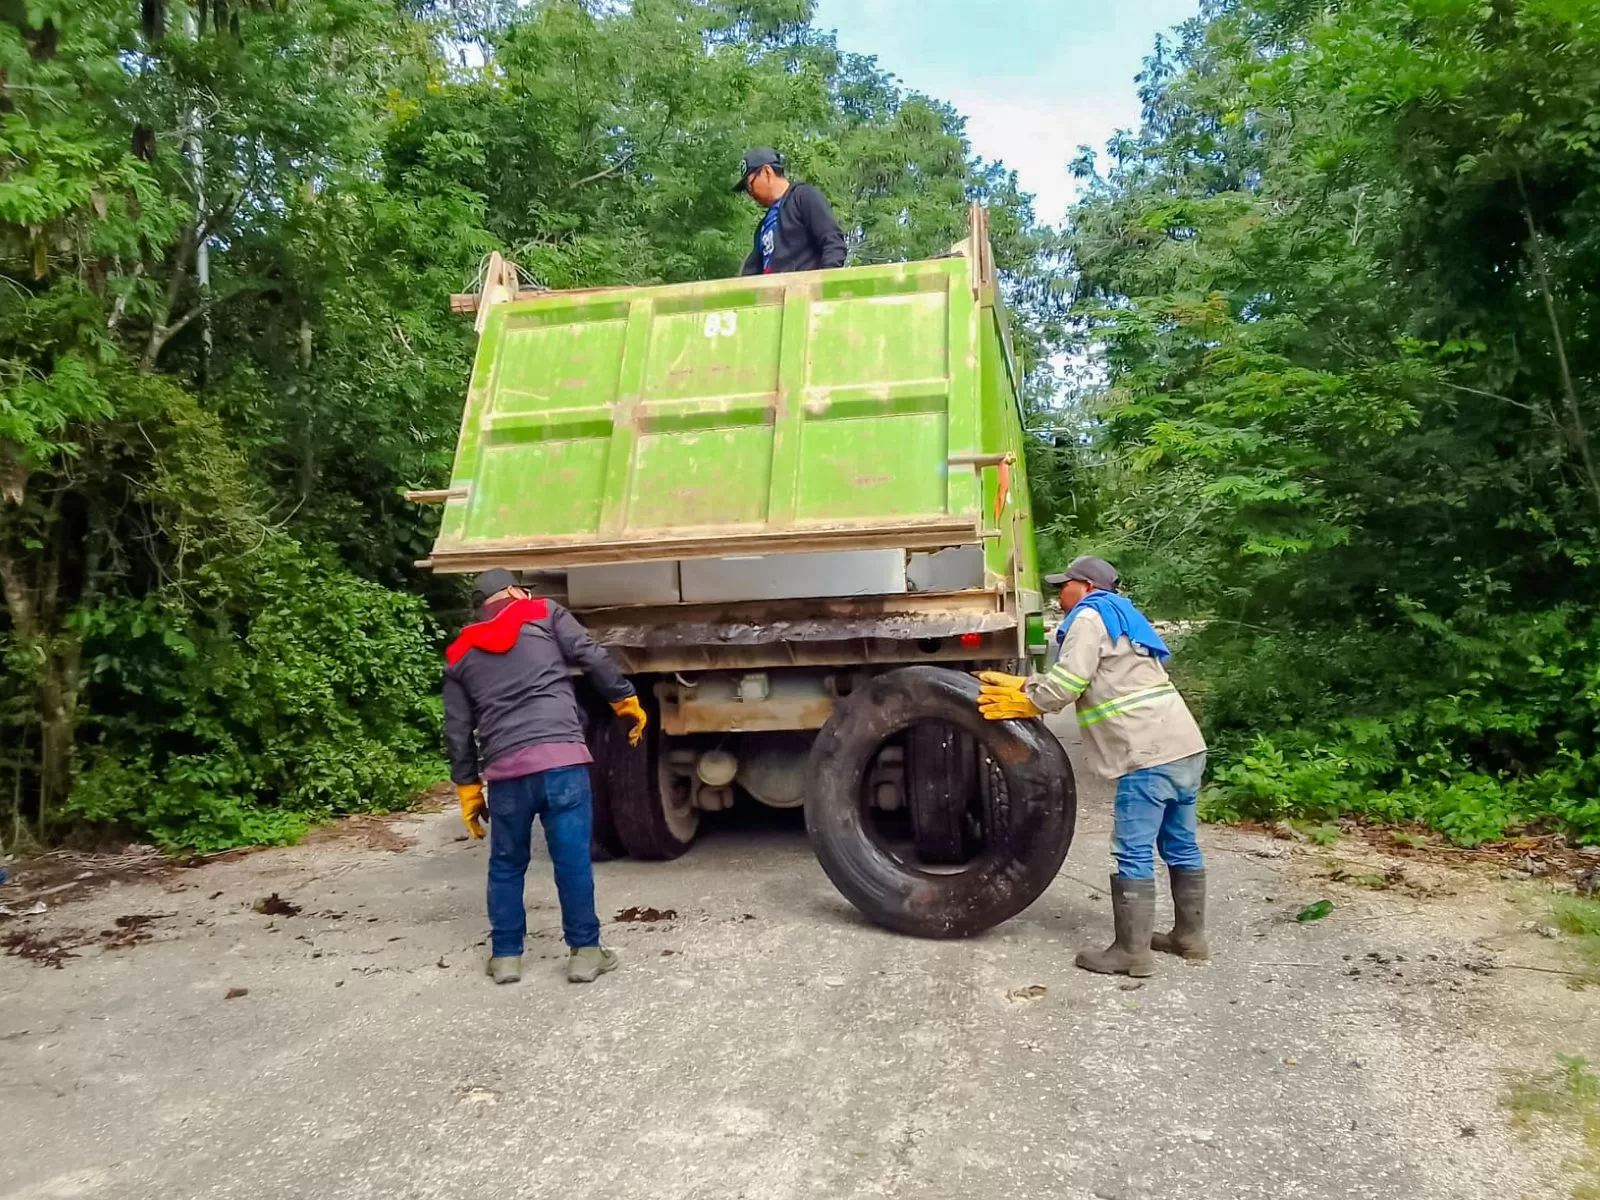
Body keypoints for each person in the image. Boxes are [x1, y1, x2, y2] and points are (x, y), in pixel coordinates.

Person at [975, 556, 1209, 978]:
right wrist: (1026, 684)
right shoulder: (1124, 617)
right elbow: (1103, 675)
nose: (1057, 592)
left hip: (1147, 753)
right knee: (1181, 844)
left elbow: (1066, 685)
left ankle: (1131, 954)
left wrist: (1029, 701)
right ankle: (1189, 938)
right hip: (1184, 744)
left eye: (1062, 585)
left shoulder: (1088, 616)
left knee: (1133, 851)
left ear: (1083, 585)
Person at [443, 568, 647, 985]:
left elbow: (457, 730)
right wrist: (624, 699)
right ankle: (586, 953)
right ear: (515, 591)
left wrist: (468, 788)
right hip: (561, 762)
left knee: (505, 864)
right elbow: (591, 655)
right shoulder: (543, 612)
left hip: (507, 773)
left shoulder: (459, 653)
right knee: (571, 860)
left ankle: (505, 957)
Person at [734, 147, 847, 276]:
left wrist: (824, 284)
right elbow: (750, 273)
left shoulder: (803, 196)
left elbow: (833, 243)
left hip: (803, 291)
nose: (750, 194)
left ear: (766, 172)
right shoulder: (763, 227)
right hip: (773, 293)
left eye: (750, 186)